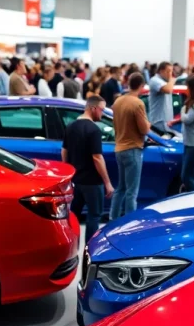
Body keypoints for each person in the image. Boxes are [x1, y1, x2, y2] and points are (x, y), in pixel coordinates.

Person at [62, 96, 115, 240]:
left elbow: (64, 151)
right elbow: (97, 157)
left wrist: (68, 173)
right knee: (94, 215)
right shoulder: (94, 130)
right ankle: (89, 248)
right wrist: (107, 183)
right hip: (92, 181)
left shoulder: (70, 126)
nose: (102, 114)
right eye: (102, 110)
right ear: (93, 108)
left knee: (73, 214)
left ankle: (71, 242)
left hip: (75, 180)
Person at [110, 72, 150, 219]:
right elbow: (144, 129)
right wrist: (149, 124)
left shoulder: (118, 101)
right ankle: (129, 223)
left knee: (120, 188)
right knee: (132, 192)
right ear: (141, 86)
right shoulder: (138, 103)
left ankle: (113, 219)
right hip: (133, 149)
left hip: (119, 148)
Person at [147, 61, 174, 134]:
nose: (170, 74)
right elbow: (167, 90)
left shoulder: (165, 82)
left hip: (166, 123)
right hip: (158, 123)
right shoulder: (155, 80)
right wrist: (172, 79)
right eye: (168, 71)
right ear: (161, 71)